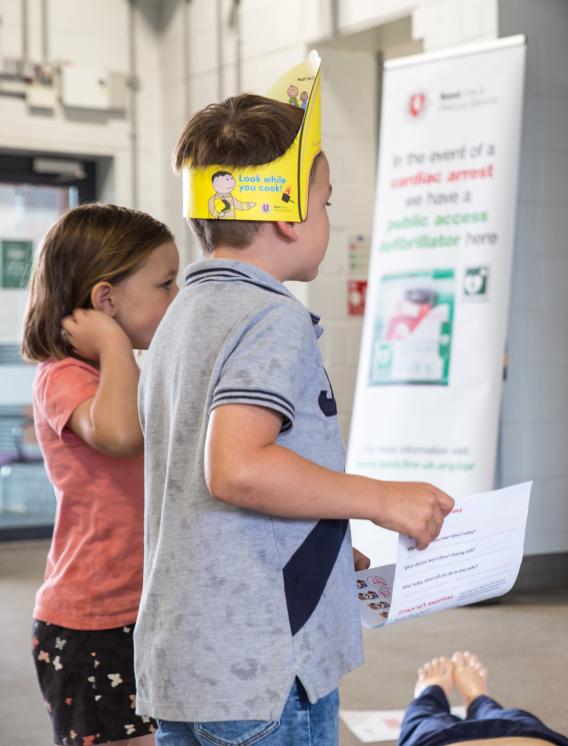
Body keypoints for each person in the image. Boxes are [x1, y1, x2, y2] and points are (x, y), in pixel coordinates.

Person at [137, 90, 454, 744]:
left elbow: (210, 485)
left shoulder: (182, 317)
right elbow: (238, 467)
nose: (327, 218)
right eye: (327, 202)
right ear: (287, 215)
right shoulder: (271, 315)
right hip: (266, 670)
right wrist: (381, 499)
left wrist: (328, 540)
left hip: (190, 661)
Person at [22, 204, 180, 745]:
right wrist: (114, 343)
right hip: (90, 621)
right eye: (165, 284)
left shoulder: (127, 372)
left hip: (144, 606)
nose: (176, 296)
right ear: (105, 300)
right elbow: (118, 436)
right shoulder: (63, 376)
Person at [399, 652, 568, 746]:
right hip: (525, 736)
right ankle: (476, 698)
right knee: (505, 715)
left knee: (425, 718)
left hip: (437, 740)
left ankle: (434, 694)